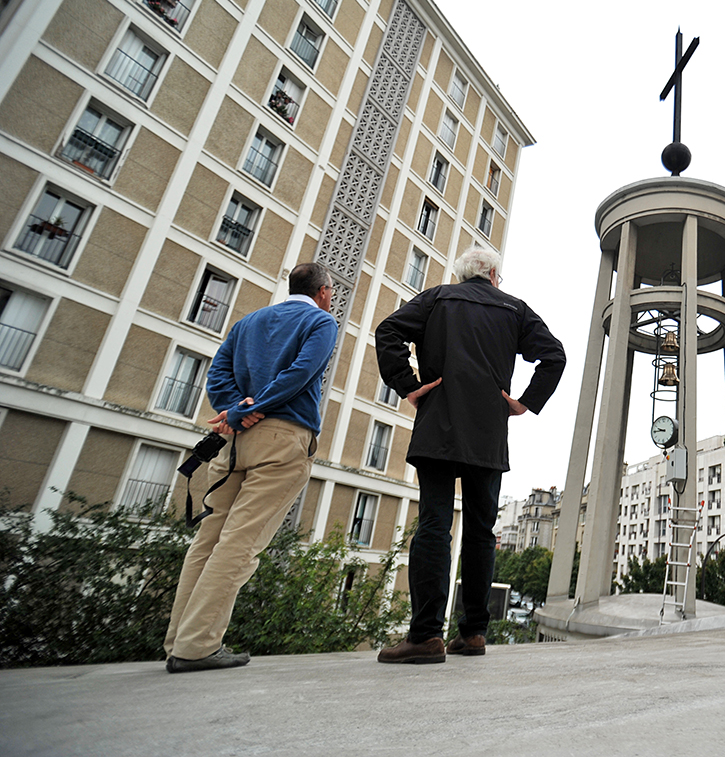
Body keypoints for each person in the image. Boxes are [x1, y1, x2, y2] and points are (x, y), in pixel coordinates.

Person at [374, 247, 565, 664]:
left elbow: (387, 331)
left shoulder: (436, 298)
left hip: (437, 426)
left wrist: (408, 385)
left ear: (462, 275)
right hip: (487, 433)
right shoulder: (515, 310)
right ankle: (474, 633)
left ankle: (425, 636)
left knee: (434, 525)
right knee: (482, 532)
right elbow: (554, 355)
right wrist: (522, 403)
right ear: (494, 274)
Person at [162, 263, 337, 673]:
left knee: (209, 539)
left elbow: (217, 373)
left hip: (234, 442)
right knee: (241, 543)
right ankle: (197, 647)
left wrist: (233, 409)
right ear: (325, 292)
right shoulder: (320, 321)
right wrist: (252, 409)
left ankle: (178, 641)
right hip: (282, 439)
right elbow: (300, 375)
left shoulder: (249, 322)